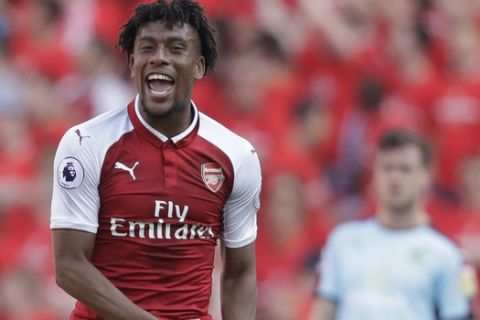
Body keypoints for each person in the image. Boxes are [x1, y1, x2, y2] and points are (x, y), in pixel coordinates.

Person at [50, 1, 261, 319]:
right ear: (133, 63)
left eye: (176, 48)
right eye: (147, 48)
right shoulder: (86, 144)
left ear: (199, 66)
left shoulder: (236, 155)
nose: (159, 57)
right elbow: (69, 267)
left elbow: (240, 273)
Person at [309, 130, 472, 320]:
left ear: (426, 176)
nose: (395, 178)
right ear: (375, 174)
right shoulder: (342, 241)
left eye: (405, 169)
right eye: (387, 168)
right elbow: (322, 311)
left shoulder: (448, 254)